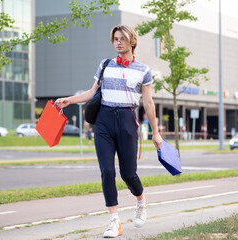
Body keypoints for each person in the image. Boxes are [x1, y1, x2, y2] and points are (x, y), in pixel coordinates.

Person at [56, 24, 162, 238]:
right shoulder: (105, 65)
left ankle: (141, 200)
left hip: (127, 122)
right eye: (115, 39)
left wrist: (156, 133)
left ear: (132, 41)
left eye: (122, 38)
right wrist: (69, 100)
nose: (118, 42)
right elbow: (92, 92)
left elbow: (149, 104)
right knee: (107, 172)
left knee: (128, 174)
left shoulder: (143, 70)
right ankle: (114, 222)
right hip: (103, 121)